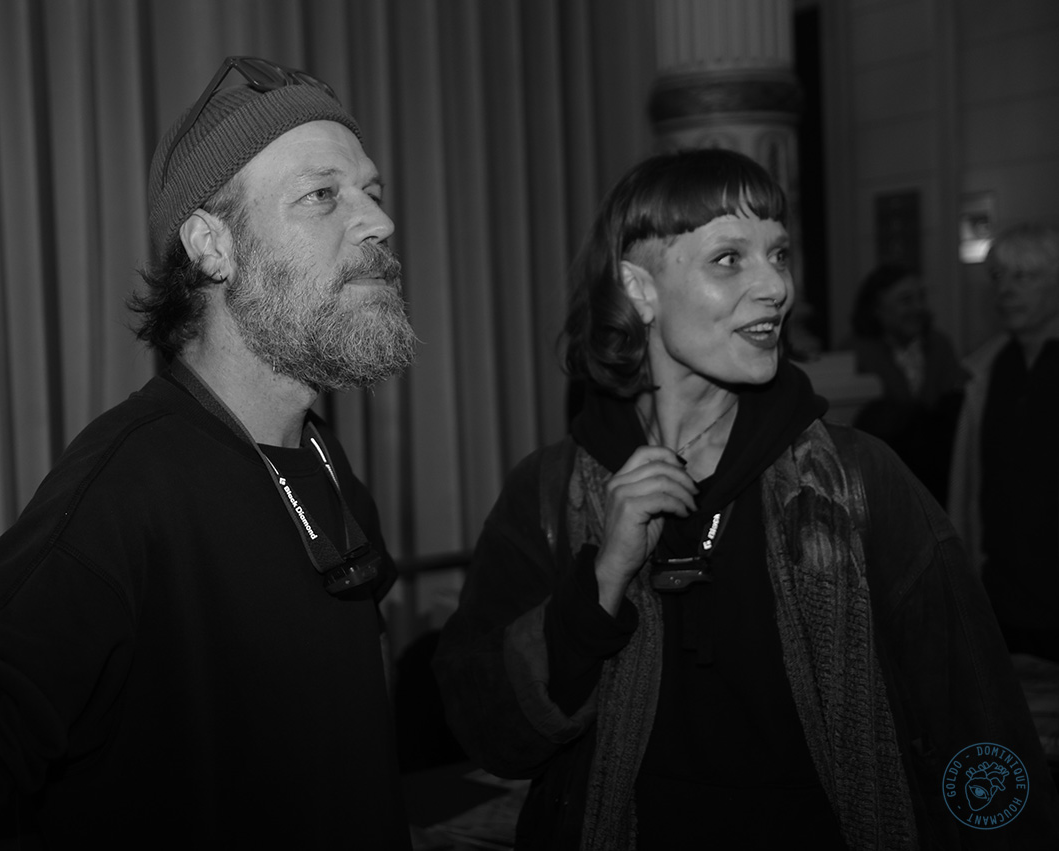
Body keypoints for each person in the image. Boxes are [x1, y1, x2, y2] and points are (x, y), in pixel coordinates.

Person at [0, 56, 415, 848]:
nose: (377, 221)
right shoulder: (123, 492)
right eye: (322, 195)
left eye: (372, 191)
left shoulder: (327, 465)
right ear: (212, 245)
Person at [432, 149, 1059, 849]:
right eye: (729, 259)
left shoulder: (858, 480)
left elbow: (978, 724)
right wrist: (601, 581)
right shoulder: (552, 493)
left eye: (779, 254)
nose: (776, 287)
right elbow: (487, 729)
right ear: (639, 289)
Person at [949, 223, 1059, 664]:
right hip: (1002, 597)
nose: (1006, 291)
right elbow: (975, 490)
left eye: (1023, 276)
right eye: (998, 277)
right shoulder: (988, 370)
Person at [849, 264, 967, 505]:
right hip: (883, 487)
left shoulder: (939, 344)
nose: (918, 308)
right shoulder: (854, 353)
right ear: (877, 309)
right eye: (906, 300)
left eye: (921, 298)